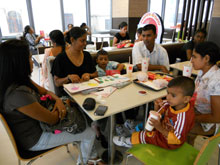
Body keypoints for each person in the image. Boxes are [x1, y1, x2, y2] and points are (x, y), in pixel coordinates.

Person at [0, 40, 97, 164]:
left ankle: (89, 154)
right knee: (89, 133)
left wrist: (58, 100)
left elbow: (45, 92)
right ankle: (84, 162)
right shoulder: (17, 94)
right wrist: (62, 105)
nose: (32, 62)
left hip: (41, 125)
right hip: (36, 138)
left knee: (81, 116)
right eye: (29, 58)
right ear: (18, 63)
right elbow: (53, 119)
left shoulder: (19, 81)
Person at [113, 76, 195, 149]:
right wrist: (156, 106)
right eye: (167, 93)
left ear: (186, 99)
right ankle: (137, 137)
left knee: (145, 135)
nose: (168, 97)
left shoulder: (183, 117)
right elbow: (159, 113)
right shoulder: (174, 103)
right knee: (145, 127)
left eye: (173, 95)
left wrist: (159, 128)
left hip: (170, 142)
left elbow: (177, 139)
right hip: (164, 129)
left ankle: (128, 142)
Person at [188, 41, 220, 145]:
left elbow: (217, 117)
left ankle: (185, 156)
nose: (191, 60)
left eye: (194, 57)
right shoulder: (202, 72)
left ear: (206, 58)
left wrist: (191, 117)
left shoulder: (216, 81)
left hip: (209, 123)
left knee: (178, 125)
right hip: (197, 111)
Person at [51, 27, 98, 96]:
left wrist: (89, 75)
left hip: (88, 92)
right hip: (70, 96)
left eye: (86, 41)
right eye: (82, 41)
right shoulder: (60, 58)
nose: (85, 43)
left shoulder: (87, 55)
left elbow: (96, 74)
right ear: (72, 40)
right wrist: (68, 78)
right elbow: (57, 82)